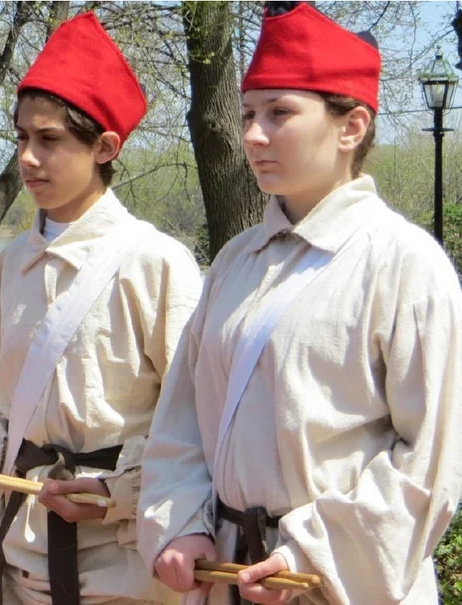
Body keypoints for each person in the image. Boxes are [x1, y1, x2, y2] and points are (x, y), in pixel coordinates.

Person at [137, 4, 462, 604]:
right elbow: (182, 415)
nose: (254, 135)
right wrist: (181, 523)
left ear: (351, 127)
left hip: (335, 586)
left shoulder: (405, 263)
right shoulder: (235, 261)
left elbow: (431, 463)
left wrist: (309, 554)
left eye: (279, 113)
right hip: (225, 578)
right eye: (249, 114)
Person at [0, 12, 203, 605]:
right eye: (22, 138)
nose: (28, 157)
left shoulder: (156, 262)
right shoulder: (10, 265)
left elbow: (195, 421)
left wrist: (121, 492)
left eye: (50, 139)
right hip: (13, 559)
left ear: (104, 146)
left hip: (124, 573)